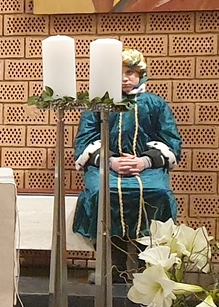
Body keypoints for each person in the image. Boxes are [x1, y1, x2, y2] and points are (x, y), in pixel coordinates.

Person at [73, 50, 181, 275]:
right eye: (118, 73)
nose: (124, 78)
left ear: (140, 74)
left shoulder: (155, 104)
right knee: (102, 193)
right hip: (106, 166)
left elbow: (171, 141)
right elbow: (84, 141)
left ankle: (148, 266)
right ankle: (112, 265)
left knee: (158, 193)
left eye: (130, 72)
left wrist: (145, 161)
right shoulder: (98, 105)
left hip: (146, 167)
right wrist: (110, 161)